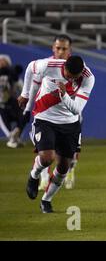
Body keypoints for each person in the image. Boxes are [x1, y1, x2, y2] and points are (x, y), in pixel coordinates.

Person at [25, 55, 95, 213]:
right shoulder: (51, 65)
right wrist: (25, 94)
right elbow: (30, 67)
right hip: (45, 117)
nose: (70, 79)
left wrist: (63, 95)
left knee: (64, 166)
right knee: (47, 157)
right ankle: (34, 175)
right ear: (64, 67)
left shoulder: (88, 78)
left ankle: (46, 200)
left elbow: (77, 109)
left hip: (69, 124)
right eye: (68, 75)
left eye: (73, 77)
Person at [18, 34, 79, 190]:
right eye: (58, 48)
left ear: (70, 50)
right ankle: (42, 177)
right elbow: (34, 85)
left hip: (69, 116)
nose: (60, 51)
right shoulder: (47, 65)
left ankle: (70, 173)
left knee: (68, 157)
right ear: (53, 48)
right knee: (46, 154)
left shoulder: (78, 69)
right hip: (46, 115)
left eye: (64, 49)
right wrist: (27, 103)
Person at [0, 54, 26, 148]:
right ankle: (11, 137)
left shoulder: (14, 76)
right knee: (2, 119)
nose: (1, 63)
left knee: (24, 116)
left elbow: (22, 88)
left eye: (3, 61)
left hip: (14, 103)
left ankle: (16, 136)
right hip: (2, 105)